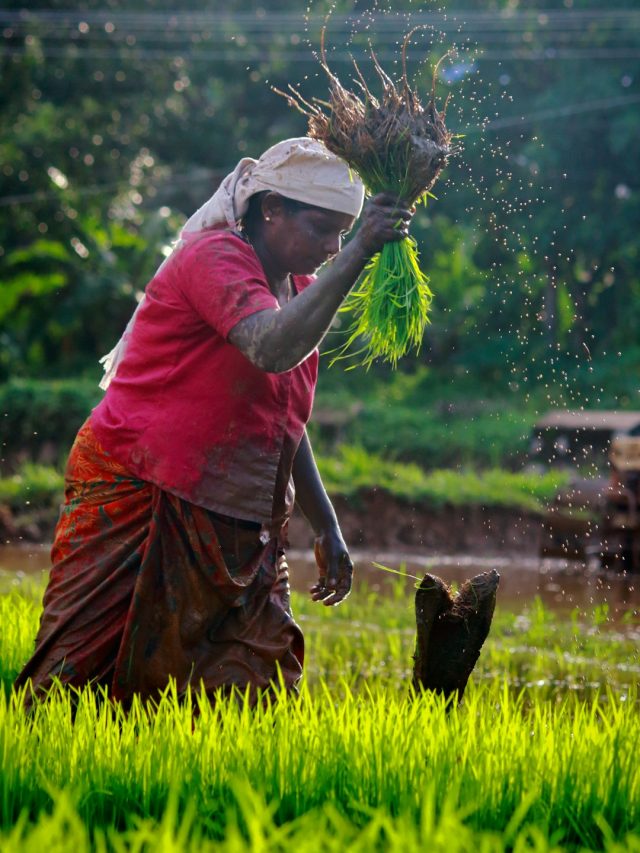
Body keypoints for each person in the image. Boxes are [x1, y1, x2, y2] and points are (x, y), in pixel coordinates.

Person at [15, 137, 413, 705]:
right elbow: (270, 348)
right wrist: (362, 249)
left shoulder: (299, 288)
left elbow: (283, 418)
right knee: (79, 677)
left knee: (256, 686)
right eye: (323, 229)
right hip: (142, 483)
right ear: (271, 209)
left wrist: (326, 524)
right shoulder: (214, 258)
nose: (333, 247)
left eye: (344, 233)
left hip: (240, 514)